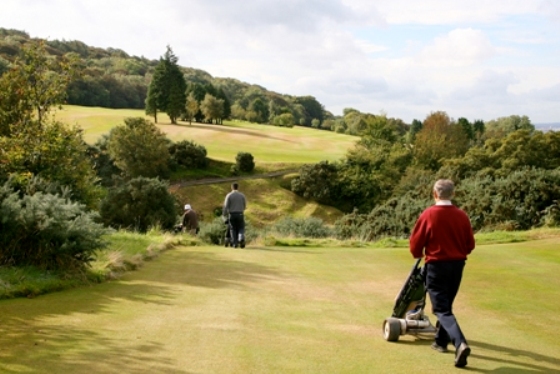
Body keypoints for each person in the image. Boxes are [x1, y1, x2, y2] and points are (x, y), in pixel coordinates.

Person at [409, 179, 475, 368]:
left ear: (434, 193)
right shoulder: (462, 215)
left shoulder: (429, 214)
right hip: (457, 265)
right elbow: (470, 244)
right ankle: (440, 341)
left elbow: (416, 243)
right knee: (446, 305)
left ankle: (460, 343)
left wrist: (417, 254)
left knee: (441, 309)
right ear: (452, 194)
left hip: (437, 265)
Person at [222, 182, 246, 248]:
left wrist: (224, 214)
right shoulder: (242, 195)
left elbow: (226, 206)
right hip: (240, 213)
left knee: (233, 229)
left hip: (232, 214)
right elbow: (244, 206)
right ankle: (241, 238)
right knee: (241, 227)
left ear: (232, 187)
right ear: (238, 187)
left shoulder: (229, 195)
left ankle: (235, 243)